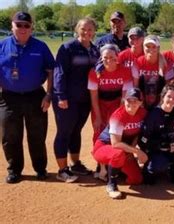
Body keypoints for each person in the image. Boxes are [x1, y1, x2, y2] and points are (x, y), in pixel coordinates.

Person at [0, 12, 55, 183]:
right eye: (19, 25)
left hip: (35, 96)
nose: (23, 28)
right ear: (12, 26)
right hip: (8, 97)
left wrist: (49, 94)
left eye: (26, 25)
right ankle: (14, 170)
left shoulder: (41, 47)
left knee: (37, 135)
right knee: (10, 136)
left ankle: (40, 168)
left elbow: (51, 71)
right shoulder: (2, 46)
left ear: (32, 28)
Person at [52, 17, 100, 183]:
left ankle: (75, 164)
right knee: (64, 132)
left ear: (94, 31)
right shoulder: (68, 48)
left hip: (84, 99)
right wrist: (61, 96)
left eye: (90, 29)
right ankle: (62, 169)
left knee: (76, 131)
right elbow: (60, 73)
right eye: (83, 29)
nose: (87, 32)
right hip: (67, 98)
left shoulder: (94, 50)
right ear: (77, 30)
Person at [92, 88, 148, 199]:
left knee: (136, 179)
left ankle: (110, 169)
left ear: (141, 102)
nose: (132, 103)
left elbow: (138, 133)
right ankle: (111, 184)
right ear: (124, 100)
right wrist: (137, 151)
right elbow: (116, 144)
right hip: (104, 147)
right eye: (129, 100)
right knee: (118, 154)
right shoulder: (118, 116)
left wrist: (132, 149)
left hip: (124, 149)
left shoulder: (143, 113)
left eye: (135, 100)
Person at [140, 85, 174, 184]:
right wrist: (159, 147)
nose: (171, 100)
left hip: (172, 148)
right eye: (169, 96)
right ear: (162, 97)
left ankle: (173, 168)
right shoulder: (153, 114)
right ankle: (149, 168)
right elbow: (143, 140)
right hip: (156, 150)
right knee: (159, 165)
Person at [89, 44, 133, 142]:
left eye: (112, 57)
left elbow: (124, 97)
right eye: (105, 58)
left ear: (117, 57)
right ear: (101, 58)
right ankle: (99, 153)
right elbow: (94, 97)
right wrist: (98, 117)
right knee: (98, 130)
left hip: (117, 104)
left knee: (115, 130)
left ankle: (114, 153)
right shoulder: (95, 72)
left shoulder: (125, 71)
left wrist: (118, 116)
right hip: (100, 105)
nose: (108, 60)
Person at [132, 35, 167, 109]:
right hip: (142, 103)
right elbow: (135, 87)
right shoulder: (137, 63)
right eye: (147, 46)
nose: (150, 49)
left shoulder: (164, 63)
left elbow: (169, 87)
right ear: (143, 48)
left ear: (158, 48)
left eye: (154, 46)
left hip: (160, 103)